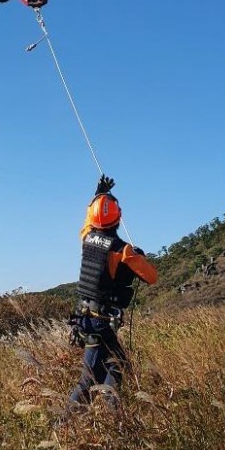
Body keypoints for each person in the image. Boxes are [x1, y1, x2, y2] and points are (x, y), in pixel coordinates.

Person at [67, 175, 158, 409]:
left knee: (117, 364)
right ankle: (63, 426)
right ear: (119, 217)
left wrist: (98, 195)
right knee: (88, 380)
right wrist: (136, 256)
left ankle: (112, 411)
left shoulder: (86, 237)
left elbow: (90, 220)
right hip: (100, 323)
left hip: (85, 317)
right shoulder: (123, 250)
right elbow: (151, 277)